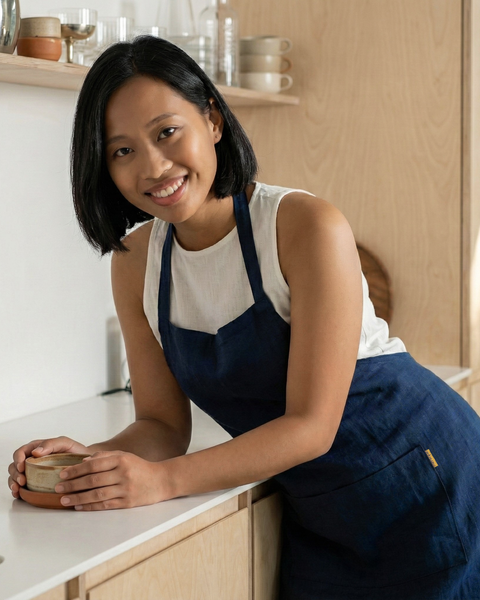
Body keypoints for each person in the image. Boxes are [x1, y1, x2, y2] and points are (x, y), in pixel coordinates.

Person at [7, 36, 480, 599]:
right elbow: (162, 425)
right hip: (322, 513)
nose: (154, 166)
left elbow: (311, 425)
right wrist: (97, 458)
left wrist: (161, 482)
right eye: (122, 151)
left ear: (212, 120)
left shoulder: (304, 226)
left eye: (166, 132)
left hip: (424, 481)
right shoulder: (136, 266)